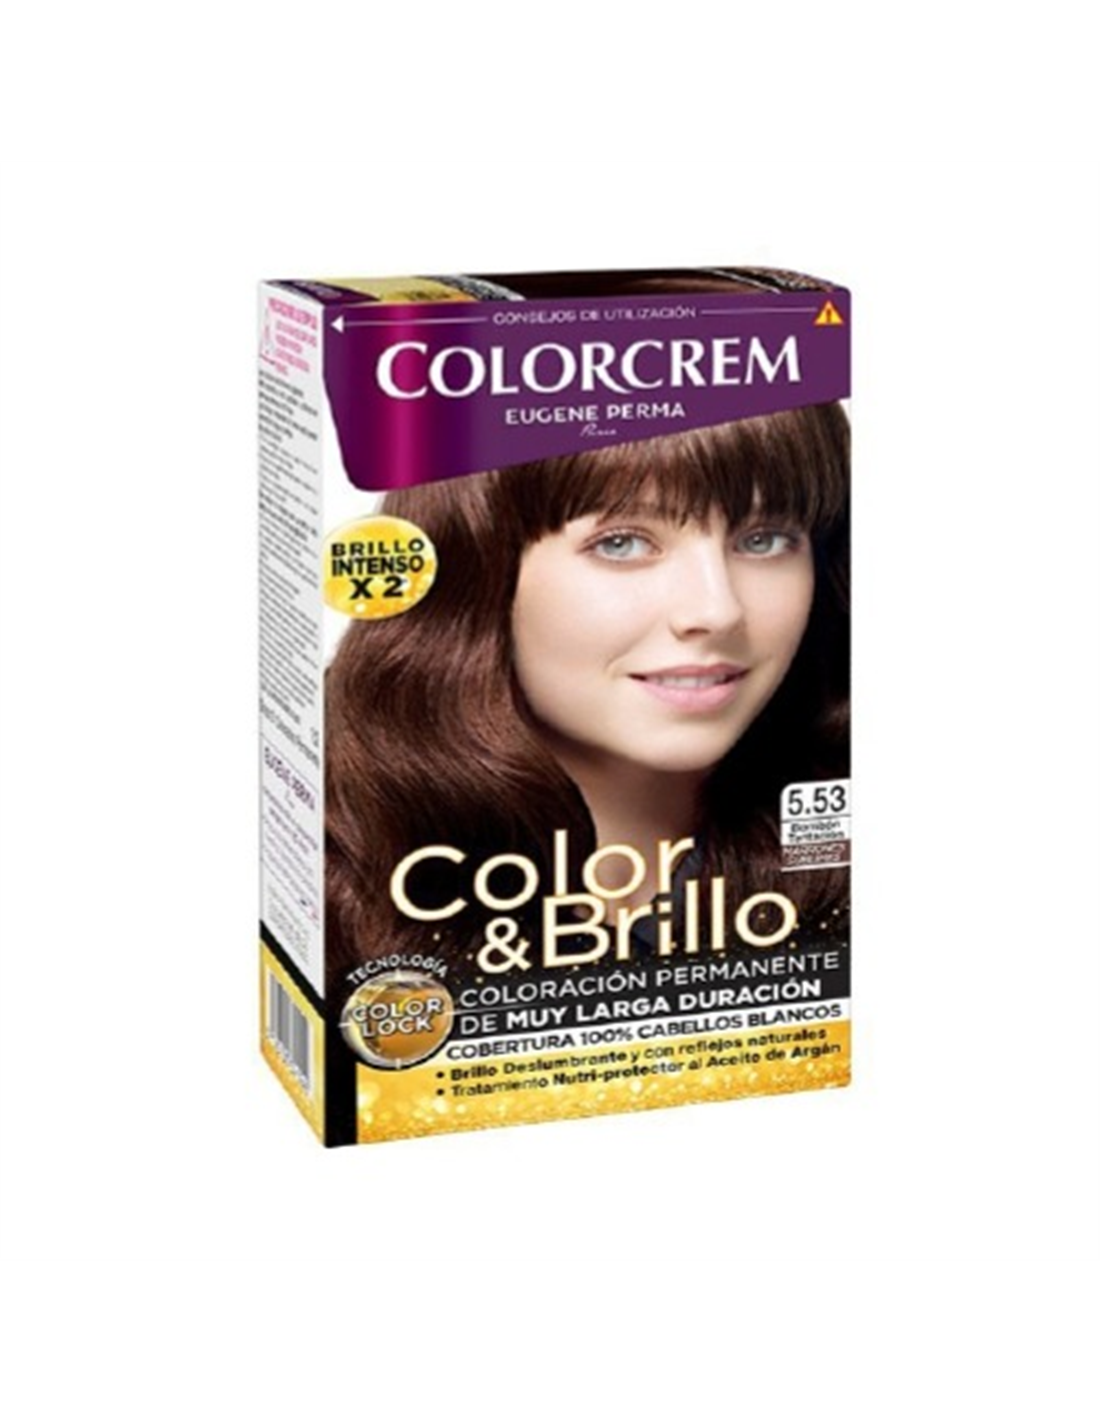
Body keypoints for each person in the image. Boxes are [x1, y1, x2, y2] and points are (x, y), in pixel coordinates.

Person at [325, 401, 850, 985]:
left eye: (765, 540)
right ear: (476, 570)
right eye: (622, 543)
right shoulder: (329, 867)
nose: (718, 609)